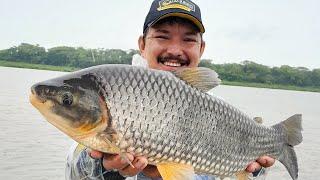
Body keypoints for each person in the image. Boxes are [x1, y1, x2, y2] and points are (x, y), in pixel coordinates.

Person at [65, 0, 275, 179]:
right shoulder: (116, 96)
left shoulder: (220, 112)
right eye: (163, 36)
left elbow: (252, 172)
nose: (175, 50)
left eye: (188, 39)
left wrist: (254, 170)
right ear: (142, 44)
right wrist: (109, 171)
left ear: (201, 49)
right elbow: (73, 172)